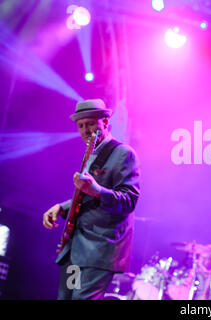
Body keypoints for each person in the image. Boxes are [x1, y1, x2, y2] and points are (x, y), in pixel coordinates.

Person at [42, 99, 140, 300]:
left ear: (106, 122)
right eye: (81, 126)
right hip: (76, 251)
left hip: (99, 251)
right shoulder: (91, 154)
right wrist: (61, 208)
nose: (86, 130)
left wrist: (97, 190)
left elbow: (129, 200)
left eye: (91, 124)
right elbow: (86, 196)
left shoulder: (123, 154)